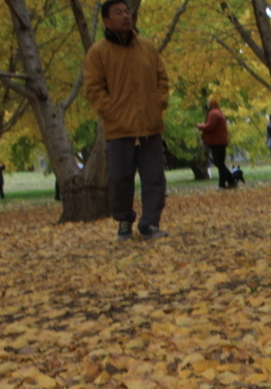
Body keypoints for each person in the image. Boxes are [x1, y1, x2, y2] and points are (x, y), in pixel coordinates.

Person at [83, 0, 169, 241]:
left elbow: (162, 79)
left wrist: (158, 103)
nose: (125, 16)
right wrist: (114, 113)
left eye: (127, 11)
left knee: (154, 179)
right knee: (120, 179)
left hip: (150, 127)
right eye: (118, 13)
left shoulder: (147, 48)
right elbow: (94, 89)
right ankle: (123, 220)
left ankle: (150, 223)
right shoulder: (98, 53)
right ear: (107, 21)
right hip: (119, 130)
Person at [197, 97, 236, 189]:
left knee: (220, 163)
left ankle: (222, 184)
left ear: (211, 103)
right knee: (219, 163)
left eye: (208, 102)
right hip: (219, 141)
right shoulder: (218, 112)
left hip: (216, 141)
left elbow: (210, 127)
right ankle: (231, 181)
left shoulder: (213, 113)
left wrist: (199, 125)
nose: (207, 103)